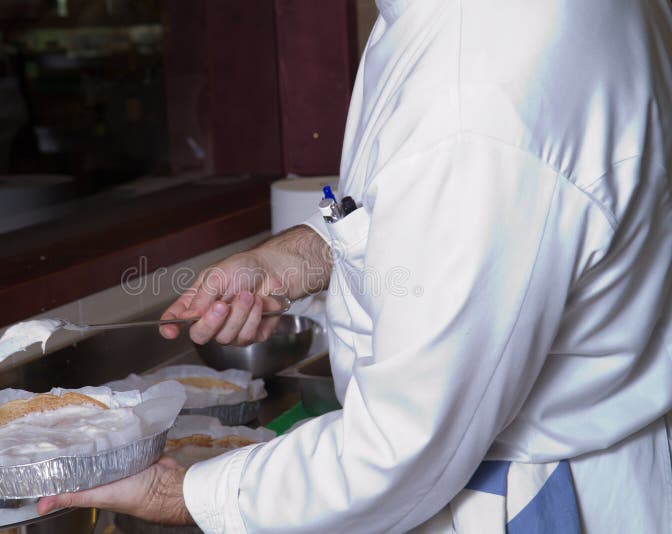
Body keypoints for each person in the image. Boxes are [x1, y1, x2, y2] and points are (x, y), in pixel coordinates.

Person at [38, 0, 672, 531]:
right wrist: (303, 254)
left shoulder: (476, 93)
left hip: (525, 500)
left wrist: (184, 495)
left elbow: (406, 448)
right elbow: (444, 211)